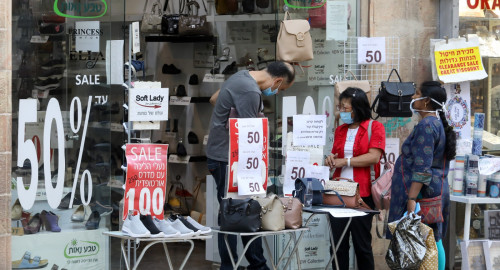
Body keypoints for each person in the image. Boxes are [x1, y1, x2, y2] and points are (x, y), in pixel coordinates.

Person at [206, 61, 295, 270]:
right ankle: (240, 265)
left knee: (240, 212)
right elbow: (249, 136)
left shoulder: (241, 76)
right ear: (278, 80)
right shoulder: (251, 91)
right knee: (236, 214)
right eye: (280, 89)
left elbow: (213, 99)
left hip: (221, 156)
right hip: (230, 159)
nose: (276, 92)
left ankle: (254, 264)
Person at [387, 81, 456, 270]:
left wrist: (411, 198)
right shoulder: (435, 123)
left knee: (429, 240)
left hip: (422, 195)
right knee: (434, 238)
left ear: (426, 101)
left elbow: (422, 169)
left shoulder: (427, 125)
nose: (412, 97)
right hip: (434, 192)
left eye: (416, 93)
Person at [324, 87, 386, 270]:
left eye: (345, 108)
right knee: (337, 245)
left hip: (362, 194)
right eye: (340, 107)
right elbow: (336, 156)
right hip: (338, 193)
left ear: (357, 108)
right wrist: (331, 159)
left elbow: (374, 157)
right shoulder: (341, 129)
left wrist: (346, 161)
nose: (341, 111)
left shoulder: (375, 127)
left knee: (362, 245)